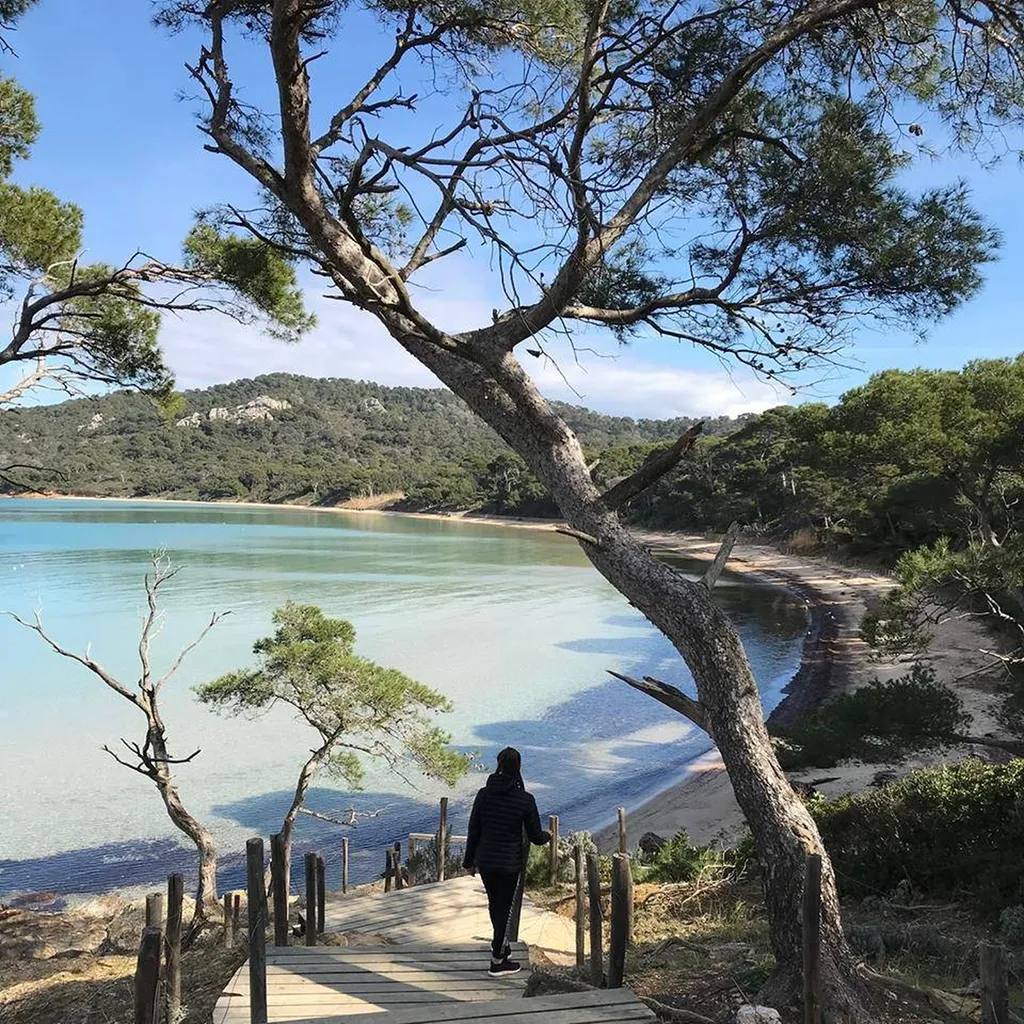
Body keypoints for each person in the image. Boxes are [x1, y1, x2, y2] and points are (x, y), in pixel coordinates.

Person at [463, 746, 550, 976]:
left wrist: (468, 861)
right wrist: (548, 835)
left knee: (495, 905)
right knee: (504, 908)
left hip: (486, 862)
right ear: (518, 767)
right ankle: (497, 959)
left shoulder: (483, 794)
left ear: (498, 765)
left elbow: (474, 829)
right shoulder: (525, 799)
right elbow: (535, 836)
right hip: (510, 863)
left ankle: (502, 946)